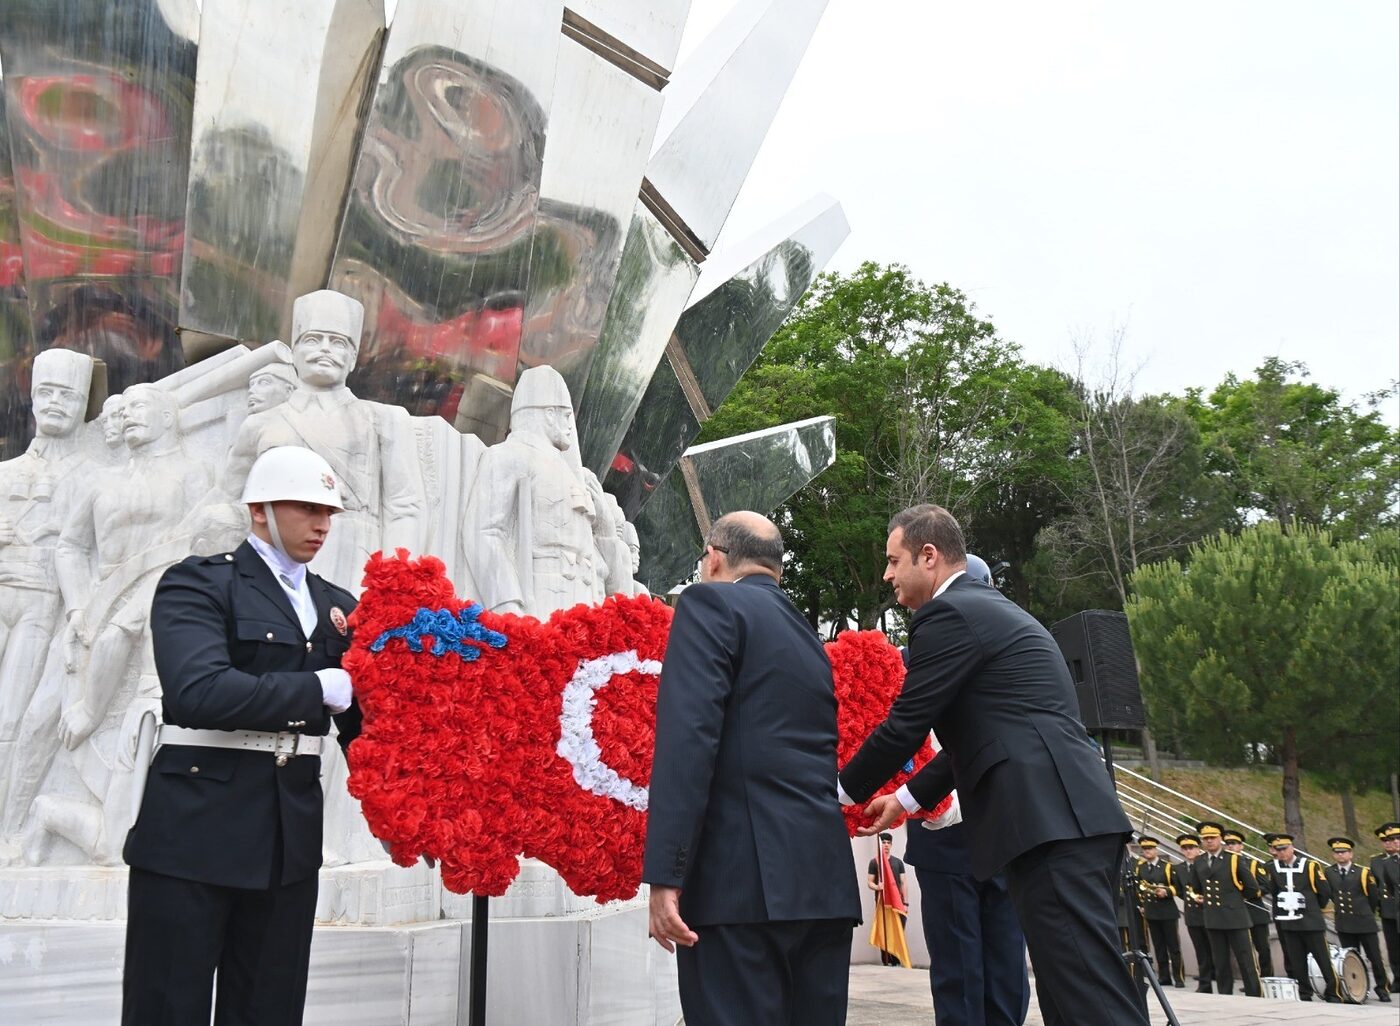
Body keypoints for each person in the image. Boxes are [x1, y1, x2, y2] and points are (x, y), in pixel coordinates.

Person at [839, 503, 1146, 1026]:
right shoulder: (986, 610)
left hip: (1050, 823)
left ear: (928, 556)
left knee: (1088, 998)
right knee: (1072, 990)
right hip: (1059, 820)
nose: (887, 574)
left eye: (894, 560)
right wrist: (906, 798)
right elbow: (981, 744)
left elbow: (905, 724)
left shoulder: (948, 614)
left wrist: (836, 795)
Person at [121, 446, 361, 1025]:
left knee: (268, 1009)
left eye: (329, 511)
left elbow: (366, 728)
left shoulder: (339, 606)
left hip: (288, 842)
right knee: (168, 1007)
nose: (322, 525)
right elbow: (197, 691)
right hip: (194, 831)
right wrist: (319, 688)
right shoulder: (200, 584)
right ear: (260, 510)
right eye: (306, 509)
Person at [642, 512, 860, 1026]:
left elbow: (688, 741)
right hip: (822, 884)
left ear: (714, 557)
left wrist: (665, 875)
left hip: (738, 886)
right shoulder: (807, 635)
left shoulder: (708, 602)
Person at [899, 556, 1029, 1026]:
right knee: (959, 967)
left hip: (996, 823)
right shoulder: (910, 661)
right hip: (945, 829)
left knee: (1004, 962)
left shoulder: (1003, 656)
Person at [1261, 832, 1341, 1003]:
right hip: (1289, 922)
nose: (1281, 852)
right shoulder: (1274, 868)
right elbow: (1274, 891)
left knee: (1323, 958)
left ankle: (1334, 991)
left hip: (1310, 921)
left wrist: (1312, 908)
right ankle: (1304, 992)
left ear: (1292, 848)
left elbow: (1324, 891)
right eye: (1278, 849)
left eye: (1284, 848)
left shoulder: (1310, 866)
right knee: (1297, 960)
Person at [1187, 820, 1261, 997]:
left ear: (1220, 839)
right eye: (1205, 839)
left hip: (1235, 916)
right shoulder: (1199, 860)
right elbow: (1196, 886)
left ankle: (1254, 994)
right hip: (1213, 917)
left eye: (1212, 838)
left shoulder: (1233, 859)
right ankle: (1225, 994)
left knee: (1246, 960)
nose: (1209, 841)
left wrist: (1234, 899)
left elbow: (1252, 887)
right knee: (1220, 962)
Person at [1325, 836, 1391, 1002]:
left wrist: (1364, 911)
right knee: (1350, 958)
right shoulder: (1329, 872)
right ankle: (1355, 988)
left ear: (1351, 854)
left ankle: (1382, 988)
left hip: (1364, 921)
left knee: (1375, 957)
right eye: (1337, 852)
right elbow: (1331, 894)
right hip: (1344, 922)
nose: (1340, 855)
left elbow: (1373, 897)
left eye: (1344, 852)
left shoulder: (1363, 872)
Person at [1133, 836, 1186, 987]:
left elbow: (1178, 887)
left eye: (1150, 849)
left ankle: (1179, 976)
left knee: (1173, 946)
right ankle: (1164, 976)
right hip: (1151, 911)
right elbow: (1138, 887)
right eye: (1145, 849)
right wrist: (1142, 904)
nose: (1147, 851)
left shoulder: (1168, 867)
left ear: (1156, 850)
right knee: (1159, 946)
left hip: (1167, 911)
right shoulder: (1141, 867)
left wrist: (1167, 891)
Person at [1222, 829, 1275, 977]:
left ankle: (1266, 977)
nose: (1230, 846)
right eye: (1227, 844)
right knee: (1244, 950)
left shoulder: (1253, 864)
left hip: (1254, 911)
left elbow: (1265, 886)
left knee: (1262, 948)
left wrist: (1247, 894)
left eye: (1234, 844)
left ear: (1241, 846)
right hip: (1236, 913)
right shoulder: (1223, 865)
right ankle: (1251, 979)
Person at [1175, 833, 1215, 992]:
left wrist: (1206, 898)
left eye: (1191, 847)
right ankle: (1205, 984)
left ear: (1198, 849)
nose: (1188, 851)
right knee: (1201, 951)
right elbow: (1179, 890)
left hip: (1209, 912)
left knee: (1216, 949)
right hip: (1192, 914)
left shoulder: (1206, 864)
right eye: (1185, 848)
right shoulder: (1179, 868)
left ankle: (1219, 976)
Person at [867, 832, 908, 965]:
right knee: (884, 931)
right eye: (883, 842)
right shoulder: (874, 862)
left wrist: (906, 902)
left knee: (897, 931)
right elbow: (869, 882)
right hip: (882, 903)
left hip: (898, 903)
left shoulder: (898, 862)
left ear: (891, 844)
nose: (885, 845)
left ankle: (896, 960)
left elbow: (903, 883)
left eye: (888, 843)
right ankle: (886, 961)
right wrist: (878, 887)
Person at [1373, 822, 1400, 986]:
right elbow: (1383, 885)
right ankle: (1397, 977)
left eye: (1396, 838)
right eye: (1389, 839)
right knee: (1393, 946)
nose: (1392, 842)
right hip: (1389, 908)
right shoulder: (1380, 862)